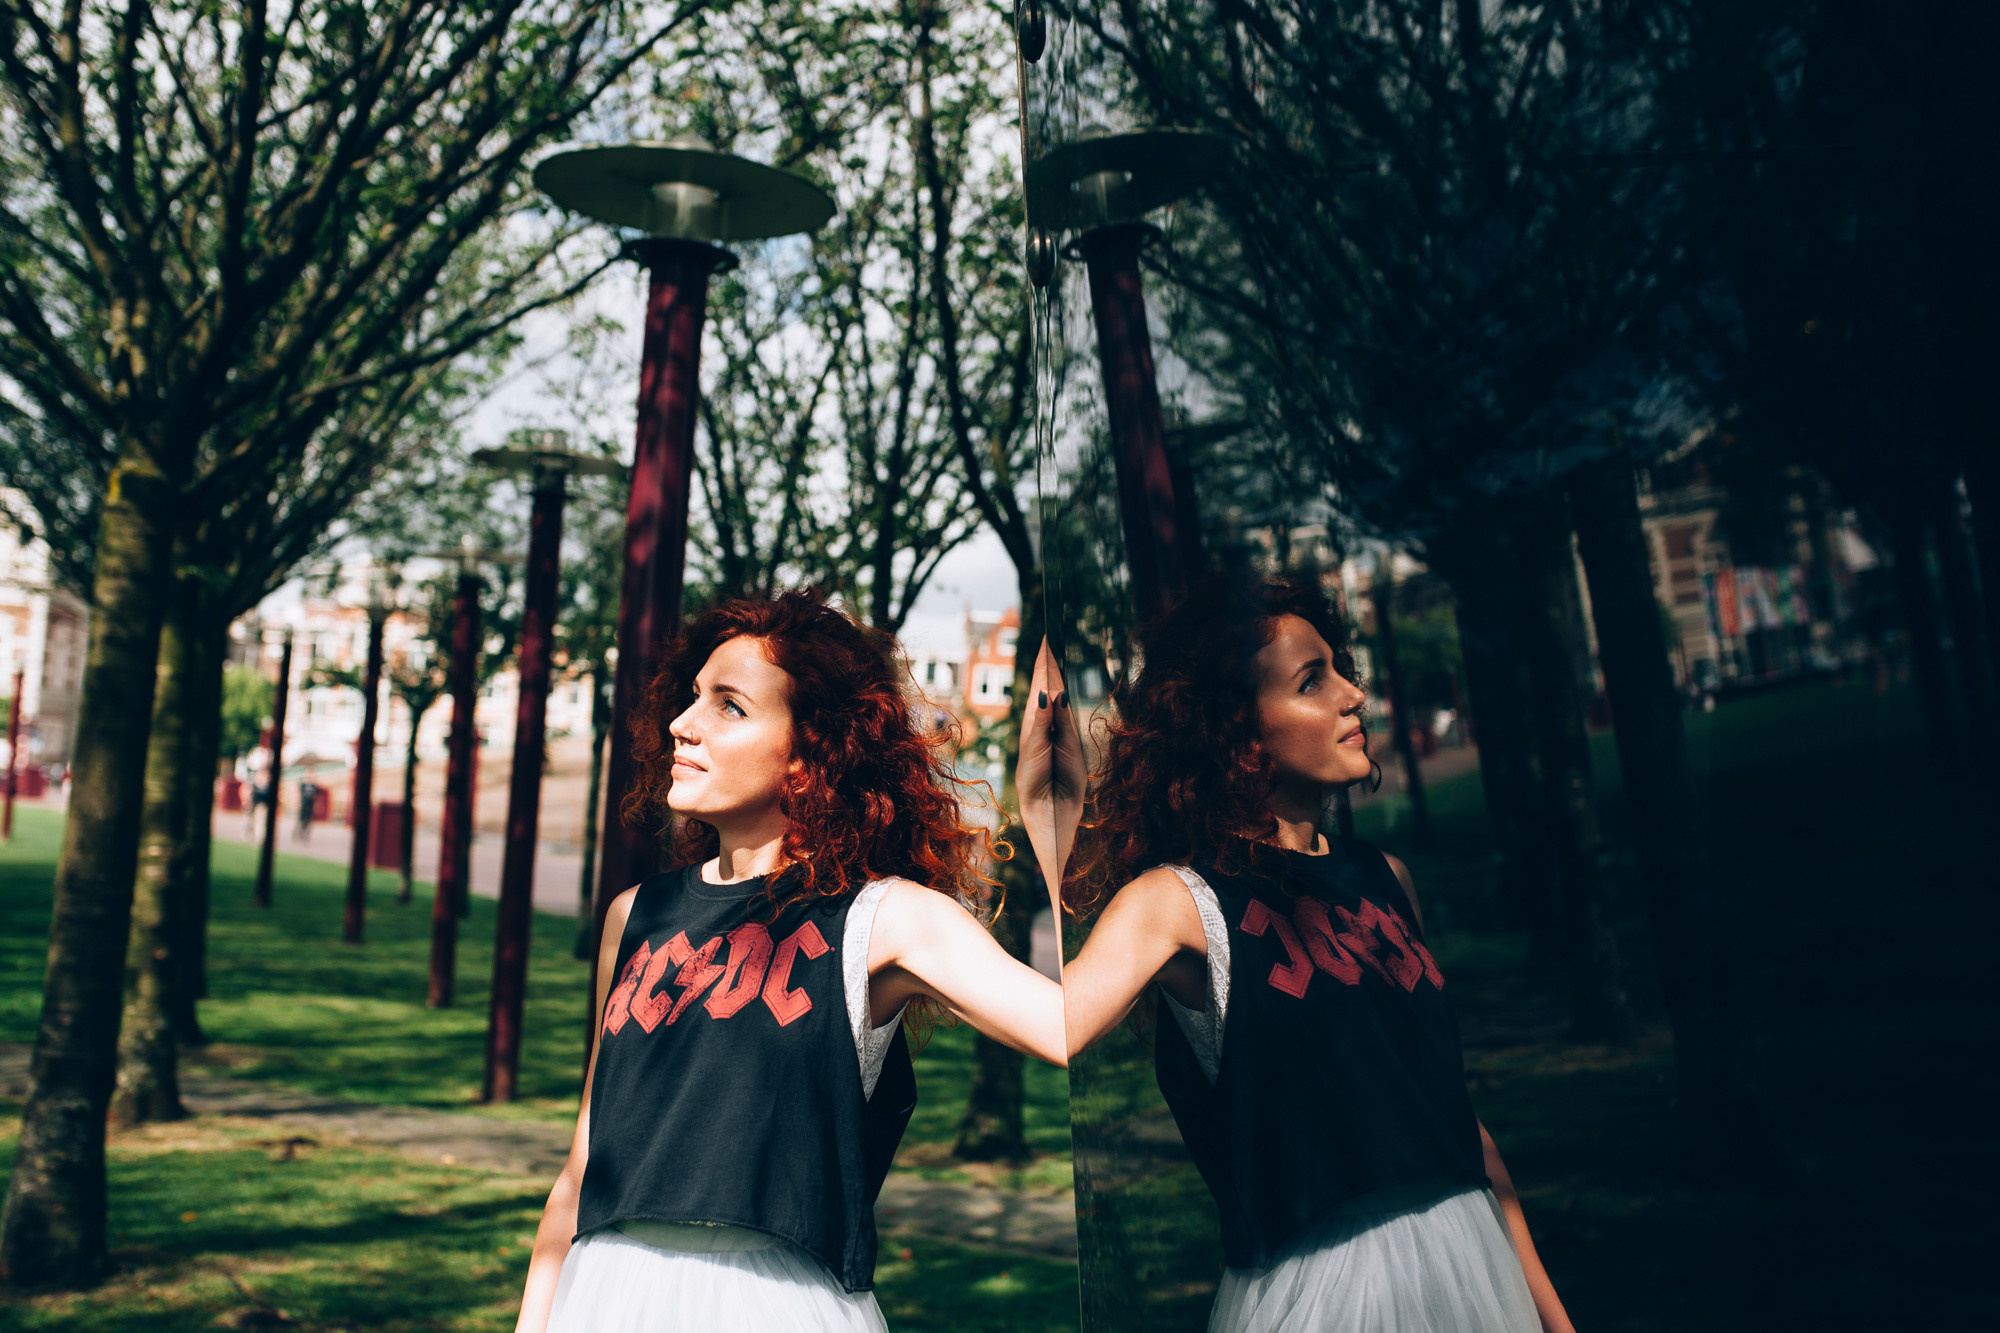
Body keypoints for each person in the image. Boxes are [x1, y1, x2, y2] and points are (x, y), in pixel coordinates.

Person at [1033, 574, 1573, 1333]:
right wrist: (1042, 815)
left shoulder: (1386, 879)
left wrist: (1551, 1315)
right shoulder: (1179, 901)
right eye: (1312, 681)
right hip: (1331, 1296)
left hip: (1472, 1264)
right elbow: (1052, 1022)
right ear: (1237, 732)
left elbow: (1452, 1115)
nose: (1354, 694)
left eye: (1340, 670)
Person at [515, 591, 1065, 1333]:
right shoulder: (633, 916)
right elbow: (586, 1161)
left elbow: (1070, 1028)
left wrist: (1057, 825)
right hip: (603, 1298)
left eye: (729, 705)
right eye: (693, 696)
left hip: (772, 1304)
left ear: (810, 754)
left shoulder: (882, 919)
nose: (683, 722)